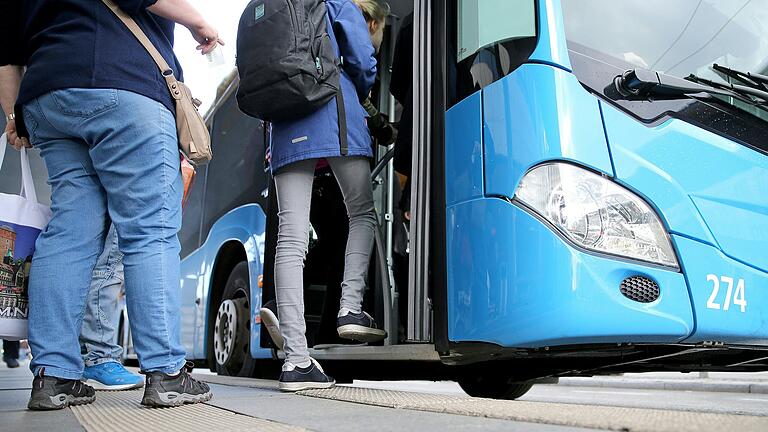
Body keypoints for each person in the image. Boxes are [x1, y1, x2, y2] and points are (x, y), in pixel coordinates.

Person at [0, 0, 220, 410]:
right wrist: (198, 22)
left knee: (69, 232)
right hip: (124, 86)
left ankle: (54, 376)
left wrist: (15, 116)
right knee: (148, 230)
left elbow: (8, 57)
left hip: (49, 99)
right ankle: (167, 372)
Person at [269, 0, 383, 392]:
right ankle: (350, 307)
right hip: (335, 114)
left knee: (291, 239)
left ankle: (296, 361)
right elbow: (362, 59)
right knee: (363, 213)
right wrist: (362, 92)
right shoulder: (335, 2)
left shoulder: (265, 9)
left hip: (283, 123)